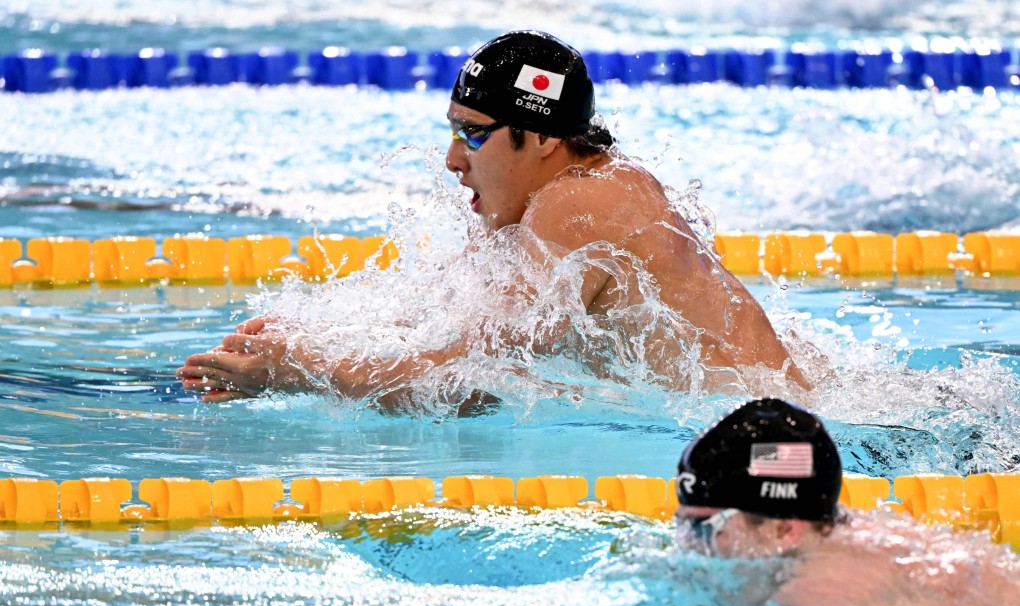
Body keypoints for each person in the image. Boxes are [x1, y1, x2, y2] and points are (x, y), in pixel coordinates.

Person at [178, 30, 806, 407]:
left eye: (473, 135)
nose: (453, 159)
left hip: (763, 430)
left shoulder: (580, 206)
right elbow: (453, 321)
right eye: (454, 132)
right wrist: (316, 334)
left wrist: (301, 371)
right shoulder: (552, 196)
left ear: (544, 138)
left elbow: (458, 384)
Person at [675, 398, 1020, 606]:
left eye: (704, 529)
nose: (687, 546)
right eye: (683, 524)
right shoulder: (833, 537)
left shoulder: (822, 588)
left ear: (784, 531)